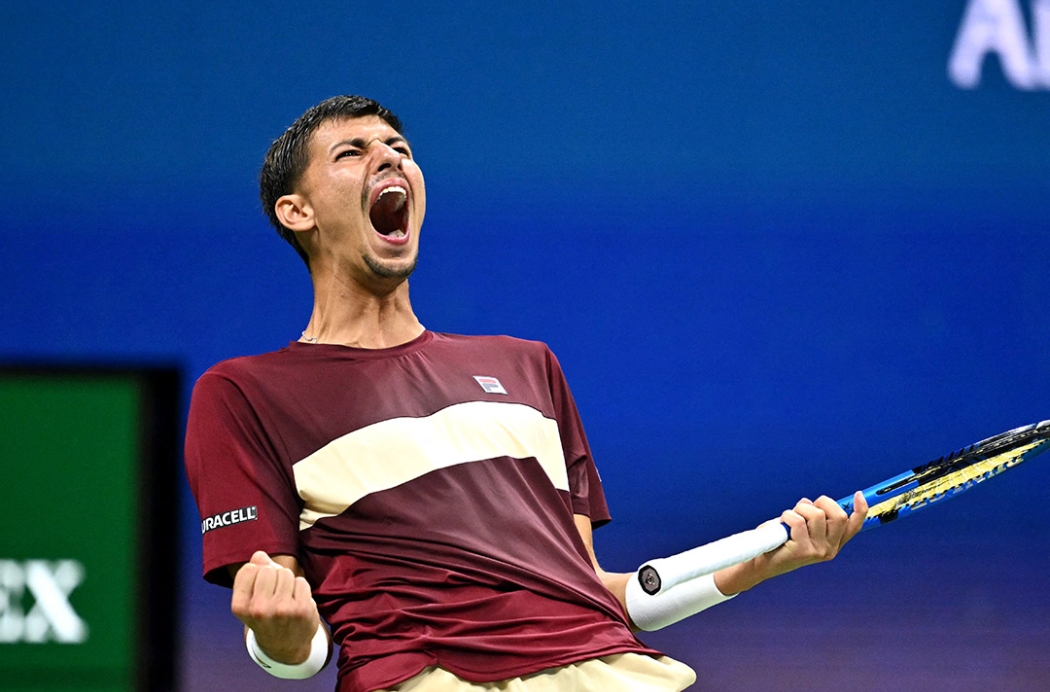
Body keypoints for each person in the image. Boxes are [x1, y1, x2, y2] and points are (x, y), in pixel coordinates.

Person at [184, 95, 868, 692]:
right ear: (296, 210)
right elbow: (287, 625)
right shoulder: (246, 393)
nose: (388, 160)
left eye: (399, 148)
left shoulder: (527, 368)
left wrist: (763, 562)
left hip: (615, 674)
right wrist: (279, 639)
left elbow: (596, 593)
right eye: (352, 152)